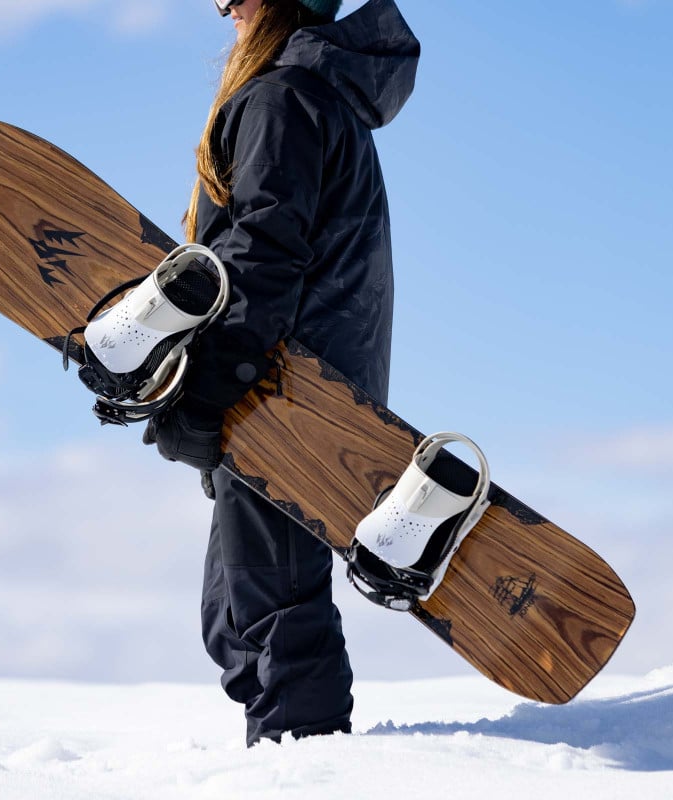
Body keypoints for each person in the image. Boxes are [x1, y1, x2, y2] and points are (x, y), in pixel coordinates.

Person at [144, 0, 420, 746]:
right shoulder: (306, 97)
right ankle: (290, 755)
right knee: (234, 617)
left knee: (276, 621)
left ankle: (307, 765)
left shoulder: (282, 99)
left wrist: (210, 388)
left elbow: (263, 250)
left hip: (286, 392)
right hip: (288, 384)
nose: (221, 6)